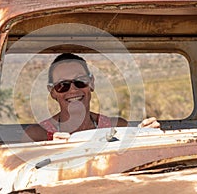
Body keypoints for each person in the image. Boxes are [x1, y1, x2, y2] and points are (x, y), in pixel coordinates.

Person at [21, 53, 160, 142]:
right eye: (63, 85)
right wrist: (49, 152)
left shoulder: (117, 127)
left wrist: (143, 136)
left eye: (80, 81)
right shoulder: (35, 136)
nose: (73, 89)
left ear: (91, 83)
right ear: (52, 92)